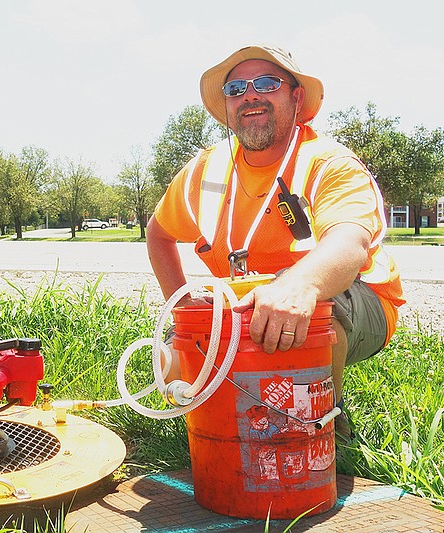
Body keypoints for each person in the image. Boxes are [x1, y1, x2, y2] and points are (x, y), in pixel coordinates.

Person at [145, 44, 405, 442]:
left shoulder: (329, 164)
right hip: (246, 304)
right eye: (235, 89)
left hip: (353, 299)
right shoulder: (205, 169)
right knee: (175, 362)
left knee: (308, 314)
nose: (250, 95)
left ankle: (322, 427)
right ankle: (236, 430)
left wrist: (298, 286)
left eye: (266, 83)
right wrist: (180, 304)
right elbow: (158, 233)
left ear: (296, 97)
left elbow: (350, 243)